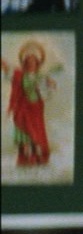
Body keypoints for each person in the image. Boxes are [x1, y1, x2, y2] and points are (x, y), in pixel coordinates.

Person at [3, 38, 59, 168]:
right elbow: (8, 72)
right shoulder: (19, 74)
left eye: (33, 61)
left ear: (38, 63)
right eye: (28, 61)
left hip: (35, 108)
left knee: (36, 132)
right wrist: (4, 65)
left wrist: (50, 85)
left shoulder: (41, 76)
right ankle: (25, 158)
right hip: (22, 108)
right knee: (24, 133)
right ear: (24, 63)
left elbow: (49, 91)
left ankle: (37, 157)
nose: (31, 64)